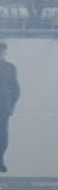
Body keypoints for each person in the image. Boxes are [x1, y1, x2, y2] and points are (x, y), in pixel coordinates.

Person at [0, 42, 17, 174]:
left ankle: (0, 159)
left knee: (2, 135)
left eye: (2, 51)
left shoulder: (10, 68)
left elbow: (15, 88)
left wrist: (12, 104)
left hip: (3, 106)